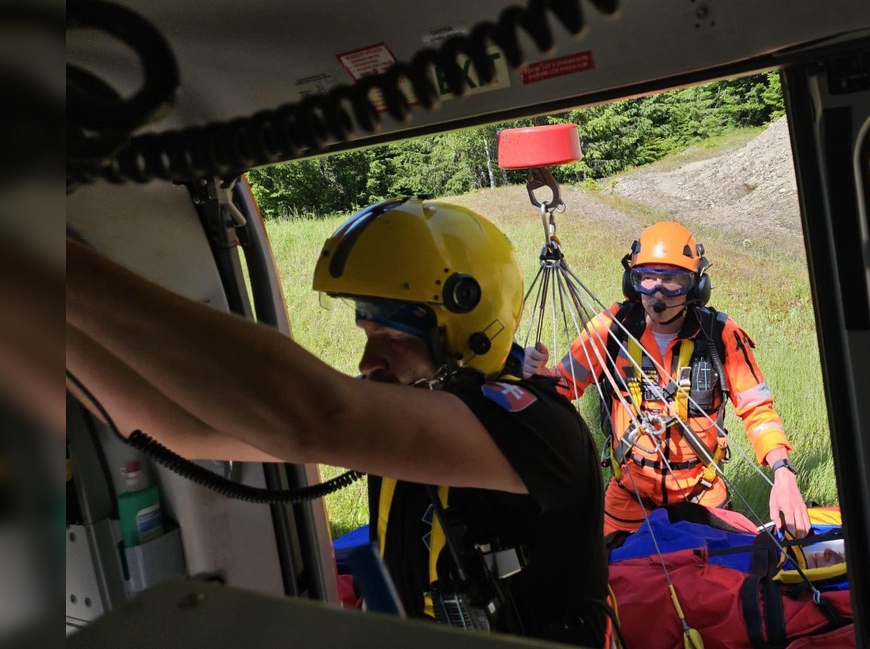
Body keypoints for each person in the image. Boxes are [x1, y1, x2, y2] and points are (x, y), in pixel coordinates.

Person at [65, 198, 608, 646]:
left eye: (393, 338)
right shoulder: (405, 420)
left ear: (471, 325)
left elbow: (314, 416)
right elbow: (170, 429)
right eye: (368, 336)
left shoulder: (536, 427)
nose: (367, 363)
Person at [524, 221, 812, 538]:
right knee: (617, 584)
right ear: (631, 281)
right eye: (646, 278)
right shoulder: (612, 329)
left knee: (712, 583)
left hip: (702, 499)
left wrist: (782, 471)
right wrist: (535, 375)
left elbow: (757, 409)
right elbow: (562, 384)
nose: (657, 293)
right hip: (627, 504)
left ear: (695, 286)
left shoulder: (720, 336)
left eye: (672, 280)